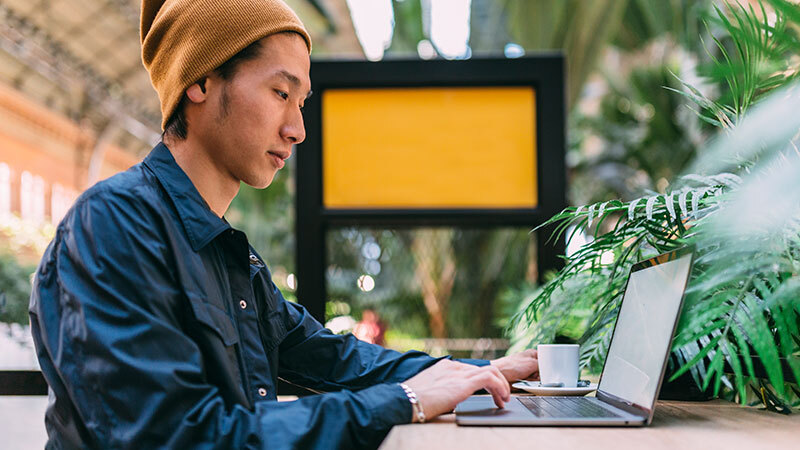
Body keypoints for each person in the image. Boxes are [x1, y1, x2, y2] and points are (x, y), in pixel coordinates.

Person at [28, 1, 539, 448]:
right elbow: (177, 437)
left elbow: (336, 360)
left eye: (301, 103)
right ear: (200, 82)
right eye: (279, 93)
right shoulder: (114, 226)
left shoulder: (225, 254)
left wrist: (478, 373)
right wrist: (406, 400)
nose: (297, 130)